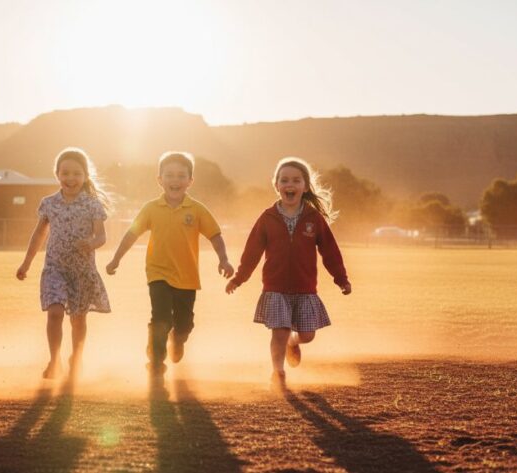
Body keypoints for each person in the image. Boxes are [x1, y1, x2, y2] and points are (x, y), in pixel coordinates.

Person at [225, 157, 351, 390]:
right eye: (284, 180)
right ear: (276, 185)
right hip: (275, 288)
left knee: (307, 334)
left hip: (305, 288)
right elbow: (252, 252)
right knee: (279, 331)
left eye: (296, 180)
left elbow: (330, 251)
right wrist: (239, 278)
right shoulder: (267, 218)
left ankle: (295, 342)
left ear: (305, 186)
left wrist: (341, 278)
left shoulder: (314, 218)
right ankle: (278, 372)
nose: (289, 184)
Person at [106, 151, 234, 376]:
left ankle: (179, 339)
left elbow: (215, 235)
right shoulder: (151, 208)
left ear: (189, 181)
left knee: (184, 325)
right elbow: (131, 234)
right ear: (160, 179)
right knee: (161, 317)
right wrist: (116, 258)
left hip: (187, 277)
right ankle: (156, 360)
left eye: (181, 176)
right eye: (169, 175)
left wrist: (223, 259)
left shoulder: (196, 209)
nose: (175, 180)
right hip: (158, 274)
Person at [17, 147, 112, 380]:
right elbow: (39, 234)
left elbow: (102, 236)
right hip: (54, 269)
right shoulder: (49, 203)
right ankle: (54, 360)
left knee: (78, 320)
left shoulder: (92, 204)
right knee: (55, 312)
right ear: (57, 174)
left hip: (81, 271)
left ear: (85, 176)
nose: (71, 178)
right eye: (66, 173)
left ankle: (76, 358)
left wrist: (91, 244)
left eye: (77, 173)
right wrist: (26, 263)